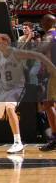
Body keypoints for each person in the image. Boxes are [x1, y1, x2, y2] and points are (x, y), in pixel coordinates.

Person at [39, 14, 56, 151]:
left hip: (52, 73)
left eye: (42, 21)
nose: (41, 23)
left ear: (47, 23)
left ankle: (55, 138)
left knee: (48, 104)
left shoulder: (50, 35)